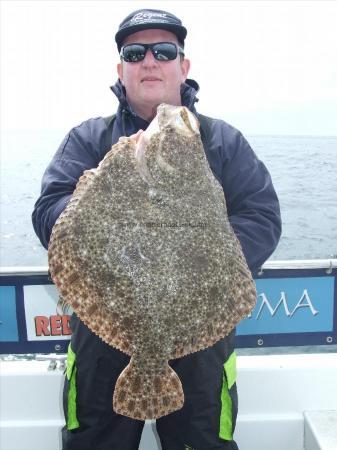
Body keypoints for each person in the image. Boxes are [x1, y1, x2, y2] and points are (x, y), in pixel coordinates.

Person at [32, 8, 281, 450]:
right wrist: (94, 205)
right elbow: (49, 211)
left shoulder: (223, 141)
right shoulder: (89, 140)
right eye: (135, 52)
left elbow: (261, 215)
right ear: (121, 69)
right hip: (103, 336)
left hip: (201, 343)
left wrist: (201, 261)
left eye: (164, 51)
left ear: (183, 67)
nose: (150, 61)